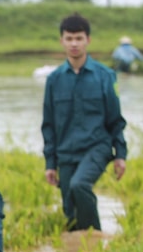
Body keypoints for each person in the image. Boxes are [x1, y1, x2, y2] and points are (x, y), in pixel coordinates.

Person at [42, 13, 128, 232]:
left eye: (79, 38)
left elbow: (115, 118)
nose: (74, 44)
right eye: (69, 38)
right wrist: (50, 163)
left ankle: (96, 239)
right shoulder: (54, 80)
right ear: (61, 41)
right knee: (70, 212)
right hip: (66, 151)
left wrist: (120, 155)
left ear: (88, 40)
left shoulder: (105, 76)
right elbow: (49, 124)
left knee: (80, 185)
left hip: (96, 147)